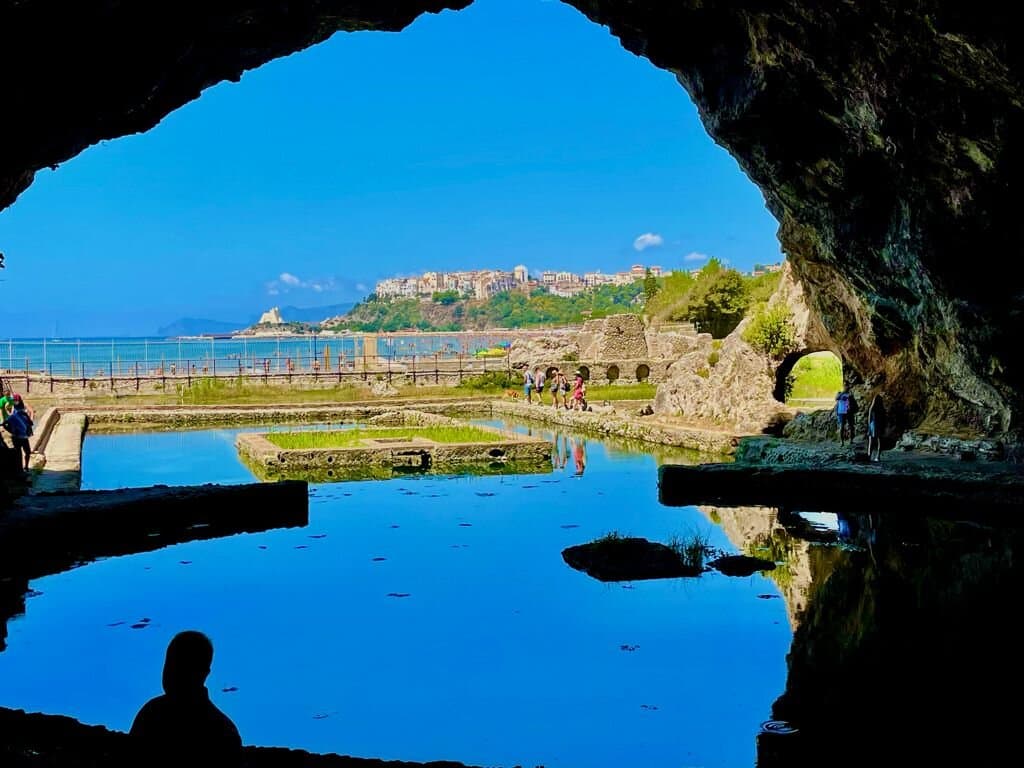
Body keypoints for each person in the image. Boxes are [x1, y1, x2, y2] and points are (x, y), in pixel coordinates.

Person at [130, 630, 242, 767]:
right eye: (170, 664)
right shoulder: (225, 730)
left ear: (204, 673)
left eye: (179, 665)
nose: (171, 672)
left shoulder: (151, 712)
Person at [2, 405, 32, 471]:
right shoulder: (12, 417)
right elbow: (4, 424)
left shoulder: (23, 416)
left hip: (24, 437)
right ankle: (20, 469)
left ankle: (26, 467)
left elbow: (30, 423)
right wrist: (11, 431)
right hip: (17, 438)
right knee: (19, 453)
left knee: (27, 452)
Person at [867, 392, 887, 462]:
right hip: (877, 424)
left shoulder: (874, 407)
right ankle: (877, 456)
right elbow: (884, 418)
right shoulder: (881, 407)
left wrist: (869, 422)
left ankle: (869, 456)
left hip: (874, 424)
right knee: (879, 440)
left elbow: (870, 412)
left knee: (871, 441)